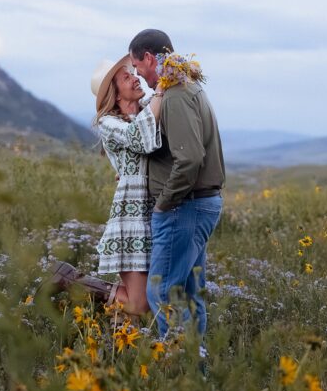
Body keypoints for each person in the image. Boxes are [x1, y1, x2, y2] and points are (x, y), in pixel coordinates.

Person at [128, 29, 226, 336]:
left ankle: (181, 370)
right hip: (196, 205)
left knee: (162, 292)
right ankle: (196, 375)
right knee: (187, 294)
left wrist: (163, 204)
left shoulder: (176, 94)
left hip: (184, 208)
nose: (138, 75)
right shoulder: (187, 86)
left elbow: (190, 158)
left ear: (148, 58)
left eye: (136, 66)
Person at [47, 56, 163, 316]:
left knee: (151, 298)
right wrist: (162, 91)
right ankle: (72, 281)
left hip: (154, 212)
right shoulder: (108, 123)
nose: (136, 77)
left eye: (133, 73)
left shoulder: (148, 107)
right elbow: (141, 139)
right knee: (139, 303)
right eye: (126, 77)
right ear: (115, 92)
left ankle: (116, 344)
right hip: (131, 216)